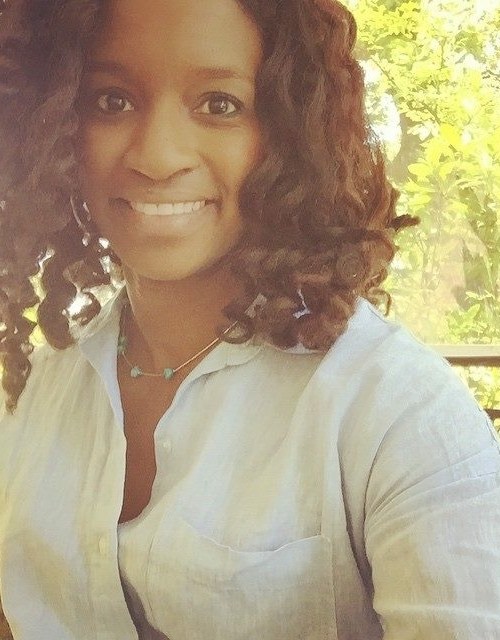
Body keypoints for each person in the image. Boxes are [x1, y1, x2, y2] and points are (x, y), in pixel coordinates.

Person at [0, 0, 499, 638]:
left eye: (219, 104)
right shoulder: (36, 393)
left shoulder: (395, 411)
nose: (157, 156)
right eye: (111, 100)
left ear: (293, 136)